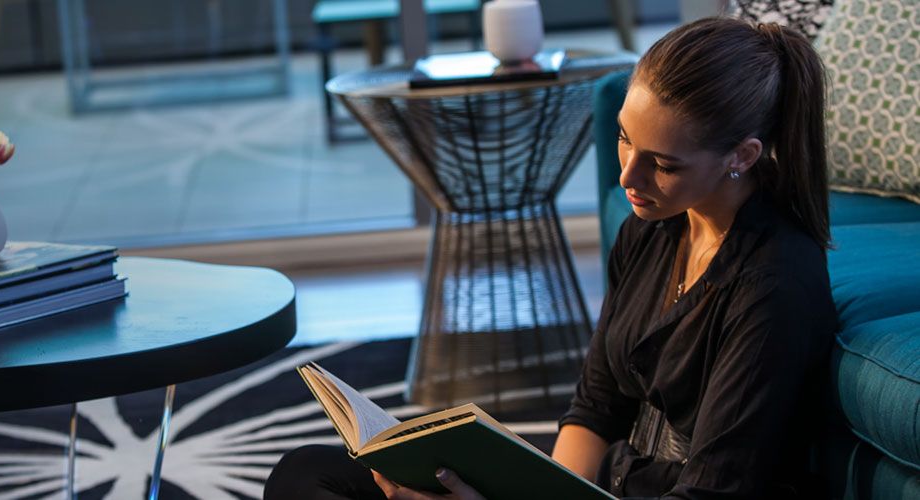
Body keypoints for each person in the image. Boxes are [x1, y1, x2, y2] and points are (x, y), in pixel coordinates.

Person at [264, 17, 836, 499]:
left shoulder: (773, 285)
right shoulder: (658, 227)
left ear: (742, 155)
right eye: (624, 138)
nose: (627, 176)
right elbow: (597, 403)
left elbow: (710, 490)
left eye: (663, 163)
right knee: (307, 474)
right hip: (604, 486)